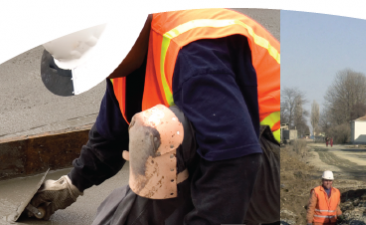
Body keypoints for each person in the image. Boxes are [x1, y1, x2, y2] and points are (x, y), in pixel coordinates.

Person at [26, 8, 281, 225]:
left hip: (276, 171)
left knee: (162, 130)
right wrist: (71, 185)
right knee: (116, 213)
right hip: (240, 160)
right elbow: (109, 138)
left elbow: (234, 159)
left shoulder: (192, 52)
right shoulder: (129, 62)